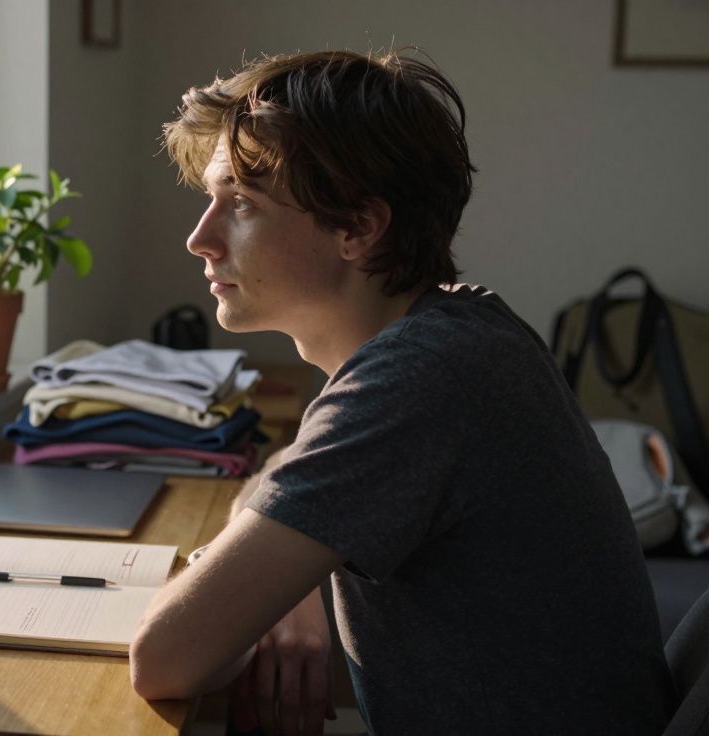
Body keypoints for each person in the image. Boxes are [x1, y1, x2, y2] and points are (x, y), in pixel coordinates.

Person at [129, 49, 675, 736]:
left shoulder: (421, 377)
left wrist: (249, 582)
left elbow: (164, 658)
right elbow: (290, 463)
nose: (199, 239)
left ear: (357, 227)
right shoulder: (454, 329)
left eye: (241, 204)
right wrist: (277, 582)